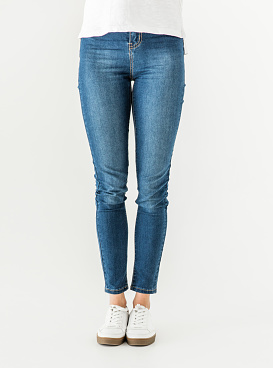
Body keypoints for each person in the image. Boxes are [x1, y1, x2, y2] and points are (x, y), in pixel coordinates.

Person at [77, 0, 187, 346]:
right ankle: (115, 302)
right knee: (109, 187)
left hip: (162, 44)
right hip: (99, 42)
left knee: (153, 189)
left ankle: (142, 301)